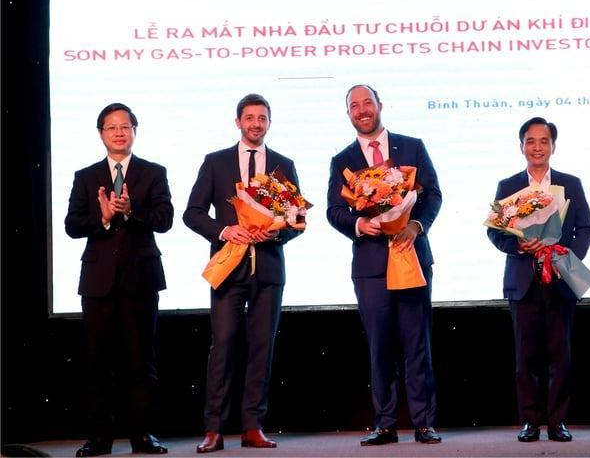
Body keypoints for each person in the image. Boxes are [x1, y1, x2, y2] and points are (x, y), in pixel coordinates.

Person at [183, 94, 303, 453]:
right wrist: (224, 230)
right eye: (249, 118)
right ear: (237, 122)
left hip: (268, 268)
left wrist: (278, 230)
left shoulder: (284, 164)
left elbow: (297, 220)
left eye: (262, 118)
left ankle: (253, 426)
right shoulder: (216, 162)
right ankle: (214, 430)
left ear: (269, 122)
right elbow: (192, 213)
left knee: (261, 349)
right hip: (228, 266)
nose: (255, 124)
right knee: (222, 347)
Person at [326, 84, 443, 446]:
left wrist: (415, 224)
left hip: (410, 255)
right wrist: (360, 224)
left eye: (367, 103)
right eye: (354, 106)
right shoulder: (342, 160)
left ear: (380, 106)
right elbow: (334, 210)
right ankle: (386, 422)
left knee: (416, 342)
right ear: (348, 113)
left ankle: (424, 422)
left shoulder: (412, 146)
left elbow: (433, 194)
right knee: (380, 345)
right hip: (371, 264)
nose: (362, 110)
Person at [65, 103, 173, 456]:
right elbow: (72, 225)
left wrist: (132, 211)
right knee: (97, 362)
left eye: (125, 126)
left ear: (134, 131)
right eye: (111, 127)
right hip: (98, 282)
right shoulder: (85, 176)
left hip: (141, 278)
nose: (118, 133)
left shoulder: (153, 173)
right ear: (101, 134)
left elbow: (165, 219)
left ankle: (142, 436)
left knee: (141, 360)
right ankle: (100, 439)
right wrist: (105, 218)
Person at [487, 117, 590, 443]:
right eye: (531, 141)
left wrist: (564, 256)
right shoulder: (508, 187)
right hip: (523, 281)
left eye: (544, 141)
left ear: (553, 146)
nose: (537, 147)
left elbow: (586, 229)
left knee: (560, 356)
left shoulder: (570, 183)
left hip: (560, 279)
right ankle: (530, 421)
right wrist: (518, 244)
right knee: (526, 357)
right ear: (522, 146)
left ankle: (558, 421)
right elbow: (494, 231)